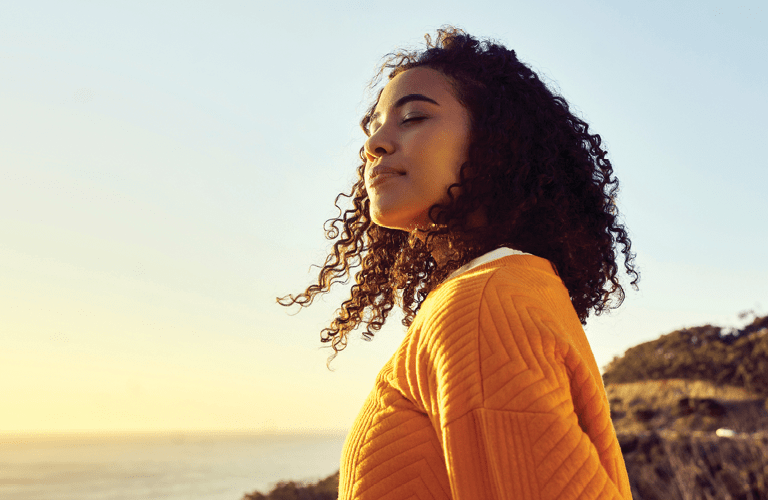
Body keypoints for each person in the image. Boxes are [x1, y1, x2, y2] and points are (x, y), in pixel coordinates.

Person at [279, 27, 638, 499]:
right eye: (374, 126)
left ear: (496, 144)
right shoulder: (508, 290)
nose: (375, 144)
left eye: (412, 117)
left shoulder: (481, 305)